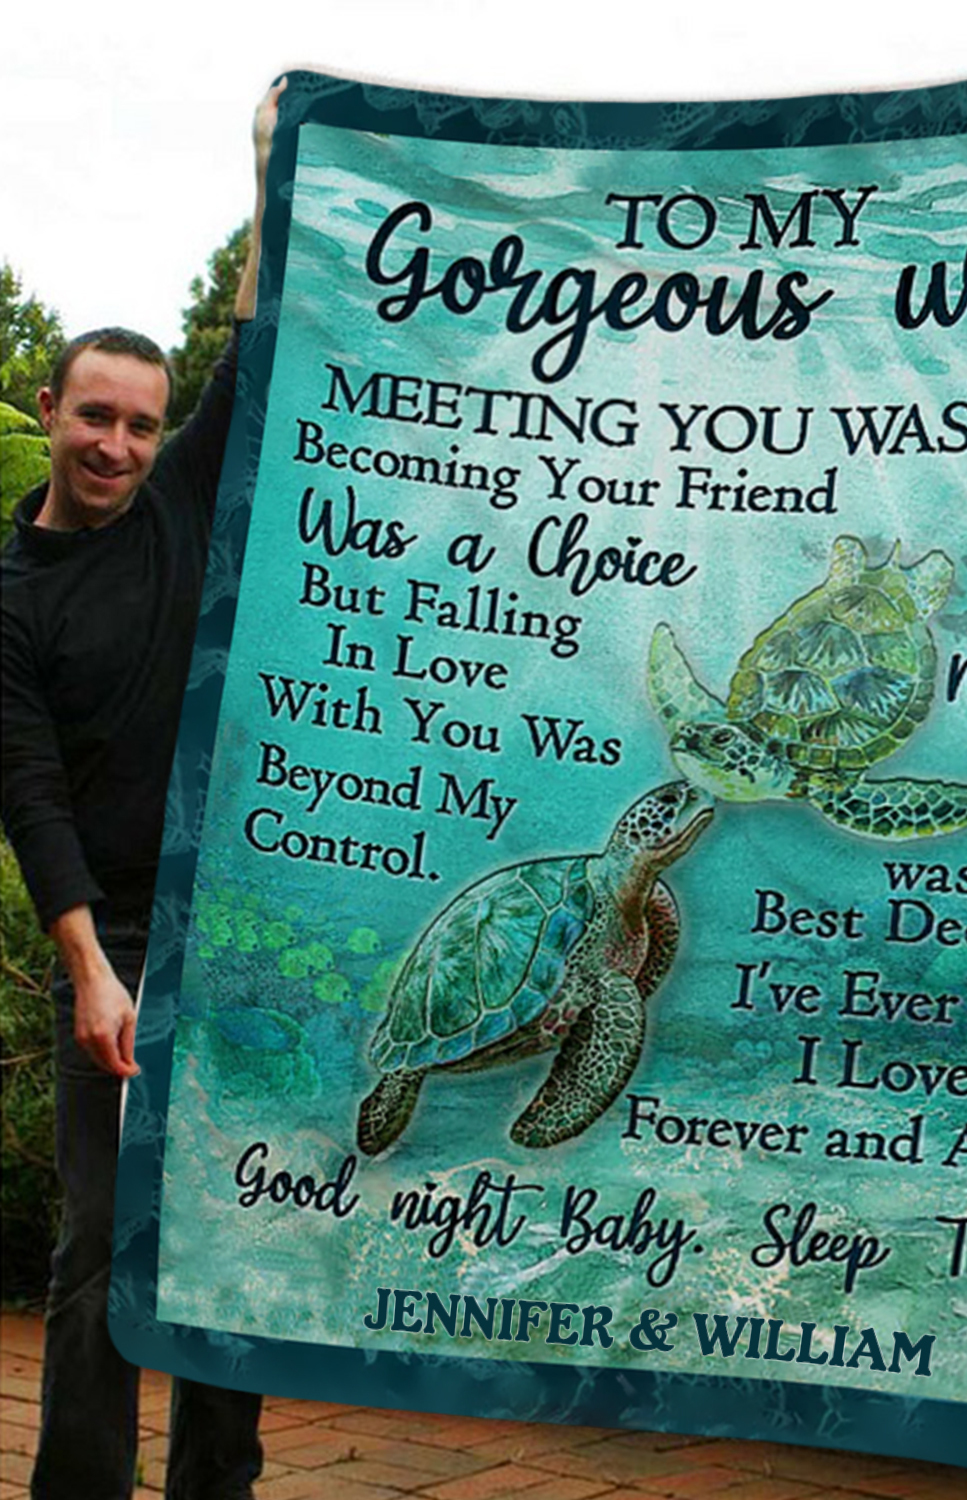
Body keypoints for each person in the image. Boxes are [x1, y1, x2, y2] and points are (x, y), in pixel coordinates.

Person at [1, 80, 285, 1500]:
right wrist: (89, 968)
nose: (116, 446)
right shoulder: (8, 598)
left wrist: (265, 167)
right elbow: (29, 792)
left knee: (228, 1238)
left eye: (140, 425)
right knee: (100, 1249)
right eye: (94, 417)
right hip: (106, 943)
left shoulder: (175, 505)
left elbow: (257, 343)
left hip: (224, 932)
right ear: (50, 410)